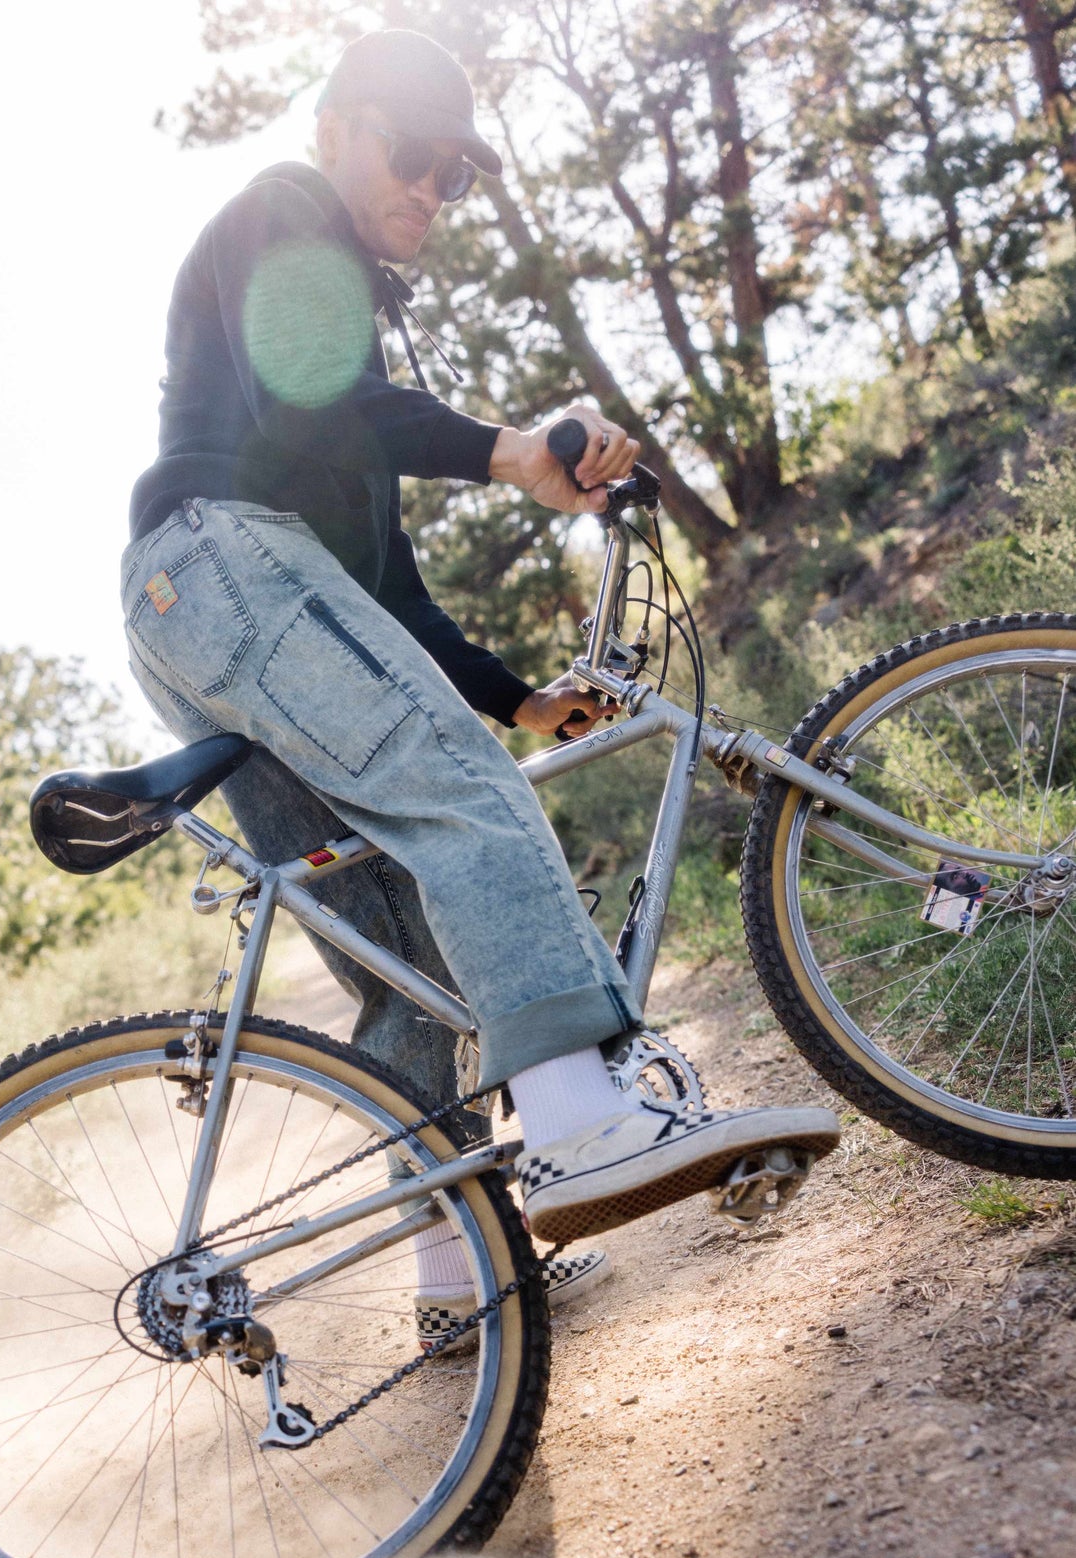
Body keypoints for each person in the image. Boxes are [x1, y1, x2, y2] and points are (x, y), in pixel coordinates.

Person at [121, 29, 838, 1339]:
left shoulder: (334, 383)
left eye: (457, 176)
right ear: (339, 125)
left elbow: (384, 595)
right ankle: (579, 1121)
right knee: (468, 796)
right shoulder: (288, 212)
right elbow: (321, 402)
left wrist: (520, 702)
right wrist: (515, 450)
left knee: (407, 968)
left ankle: (456, 1279)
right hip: (219, 564)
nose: (429, 192)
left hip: (213, 605)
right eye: (413, 155)